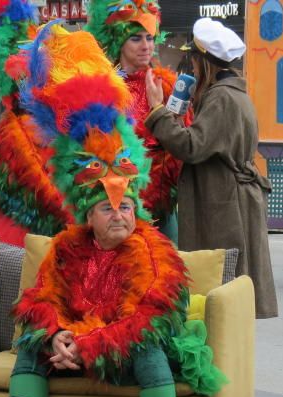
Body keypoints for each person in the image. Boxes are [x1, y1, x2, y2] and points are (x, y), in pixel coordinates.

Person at [0, 24, 227, 397]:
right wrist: (57, 335)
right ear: (89, 213)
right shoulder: (67, 246)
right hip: (74, 347)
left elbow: (146, 321)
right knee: (30, 348)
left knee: (151, 354)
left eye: (125, 207)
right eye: (107, 209)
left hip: (123, 350)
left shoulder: (153, 249)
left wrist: (85, 345)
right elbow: (39, 299)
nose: (118, 216)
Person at [144, 18, 278, 319]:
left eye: (192, 61)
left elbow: (191, 146)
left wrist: (157, 111)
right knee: (228, 287)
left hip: (224, 204)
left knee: (219, 286)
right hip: (230, 199)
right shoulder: (233, 93)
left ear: (204, 63)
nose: (189, 68)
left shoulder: (221, 96)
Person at [86, 0, 185, 242]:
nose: (146, 46)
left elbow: (183, 144)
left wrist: (162, 111)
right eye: (136, 39)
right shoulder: (101, 88)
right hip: (117, 208)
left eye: (149, 38)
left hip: (162, 207)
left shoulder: (167, 86)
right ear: (119, 41)